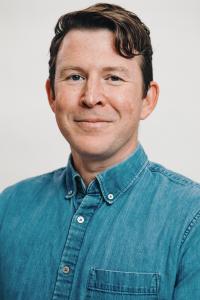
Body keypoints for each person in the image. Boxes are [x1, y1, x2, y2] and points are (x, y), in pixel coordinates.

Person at [0, 3, 200, 299]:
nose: (91, 97)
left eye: (114, 77)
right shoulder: (8, 208)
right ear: (52, 95)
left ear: (148, 99)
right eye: (75, 77)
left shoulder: (192, 220)